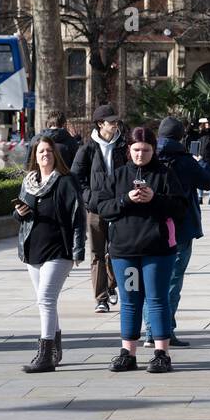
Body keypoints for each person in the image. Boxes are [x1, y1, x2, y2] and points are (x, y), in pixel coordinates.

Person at [96, 127, 187, 374]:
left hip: (157, 251)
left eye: (146, 150)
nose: (140, 155)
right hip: (125, 252)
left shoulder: (165, 174)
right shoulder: (117, 176)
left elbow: (180, 208)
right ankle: (128, 352)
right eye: (136, 150)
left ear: (153, 150)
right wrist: (126, 199)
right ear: (128, 150)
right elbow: (103, 207)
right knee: (130, 301)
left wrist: (154, 199)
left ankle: (161, 353)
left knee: (157, 299)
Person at [15, 136, 85, 372]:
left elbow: (78, 217)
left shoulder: (65, 181)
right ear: (34, 156)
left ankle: (45, 354)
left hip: (58, 249)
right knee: (46, 302)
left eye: (48, 151)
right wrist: (20, 212)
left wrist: (78, 250)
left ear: (55, 154)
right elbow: (22, 215)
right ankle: (55, 349)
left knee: (45, 299)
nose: (44, 155)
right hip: (33, 248)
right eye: (40, 151)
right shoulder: (29, 181)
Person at [149, 117, 210, 347]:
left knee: (152, 280)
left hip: (150, 226)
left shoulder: (149, 156)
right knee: (172, 280)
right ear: (180, 137)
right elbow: (208, 182)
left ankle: (151, 330)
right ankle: (164, 329)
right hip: (179, 227)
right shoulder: (185, 160)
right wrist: (204, 161)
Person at [70, 104, 123, 313]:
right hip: (96, 208)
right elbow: (76, 178)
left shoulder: (124, 146)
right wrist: (89, 198)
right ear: (101, 124)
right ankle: (100, 297)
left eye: (117, 121)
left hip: (120, 207)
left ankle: (111, 285)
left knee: (118, 250)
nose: (116, 124)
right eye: (112, 121)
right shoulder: (87, 149)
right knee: (97, 253)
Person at [193, 118, 210, 205]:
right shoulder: (199, 135)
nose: (206, 125)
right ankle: (200, 197)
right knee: (199, 179)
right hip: (200, 159)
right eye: (205, 124)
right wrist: (194, 122)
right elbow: (190, 131)